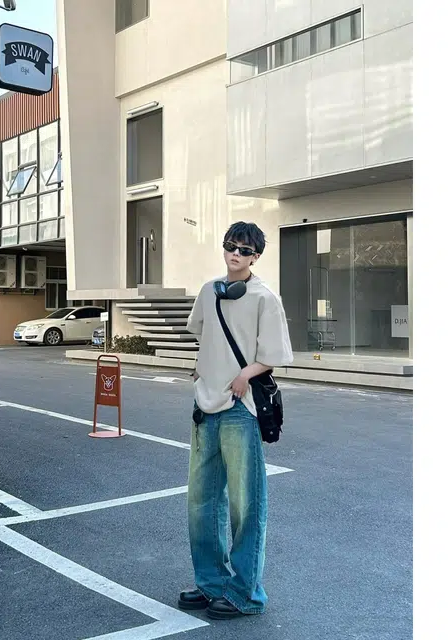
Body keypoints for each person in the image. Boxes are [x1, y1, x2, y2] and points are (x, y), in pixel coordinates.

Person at [178, 221, 293, 620]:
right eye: (231, 246)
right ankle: (210, 583)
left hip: (241, 408)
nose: (236, 254)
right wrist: (202, 369)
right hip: (205, 404)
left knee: (246, 503)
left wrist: (246, 373)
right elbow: (203, 334)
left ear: (256, 257)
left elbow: (274, 355)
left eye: (245, 250)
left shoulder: (265, 298)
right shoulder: (209, 291)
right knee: (201, 501)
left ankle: (246, 593)